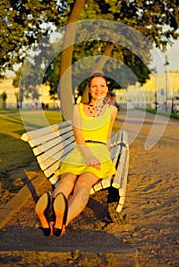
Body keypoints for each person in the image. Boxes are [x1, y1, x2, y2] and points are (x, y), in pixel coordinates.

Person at [35, 73, 118, 236]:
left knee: (83, 183)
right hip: (80, 150)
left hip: (99, 151)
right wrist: (88, 156)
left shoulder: (112, 110)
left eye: (102, 86)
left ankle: (57, 221)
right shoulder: (78, 108)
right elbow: (78, 136)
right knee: (67, 179)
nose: (98, 89)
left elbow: (107, 136)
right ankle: (56, 220)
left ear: (107, 89)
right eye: (94, 86)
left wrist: (105, 154)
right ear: (89, 89)